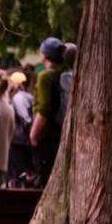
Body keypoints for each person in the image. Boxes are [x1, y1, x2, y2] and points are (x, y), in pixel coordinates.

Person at [29, 36, 66, 187]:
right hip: (60, 130)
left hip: (45, 132)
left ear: (44, 55)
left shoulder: (45, 76)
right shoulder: (64, 73)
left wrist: (34, 133)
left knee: (42, 175)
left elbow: (44, 108)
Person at [7, 70, 34, 183]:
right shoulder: (29, 96)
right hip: (23, 138)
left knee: (20, 169)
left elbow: (26, 118)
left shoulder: (18, 98)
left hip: (19, 140)